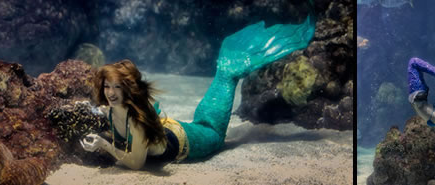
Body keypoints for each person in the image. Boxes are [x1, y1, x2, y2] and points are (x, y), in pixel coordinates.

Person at [79, 16, 315, 170]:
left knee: (217, 106)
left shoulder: (136, 122)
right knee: (206, 112)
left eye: (116, 87)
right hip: (174, 127)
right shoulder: (110, 110)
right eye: (107, 86)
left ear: (127, 89)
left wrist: (103, 144)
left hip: (198, 140)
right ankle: (228, 67)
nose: (110, 92)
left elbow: (136, 163)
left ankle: (237, 63)